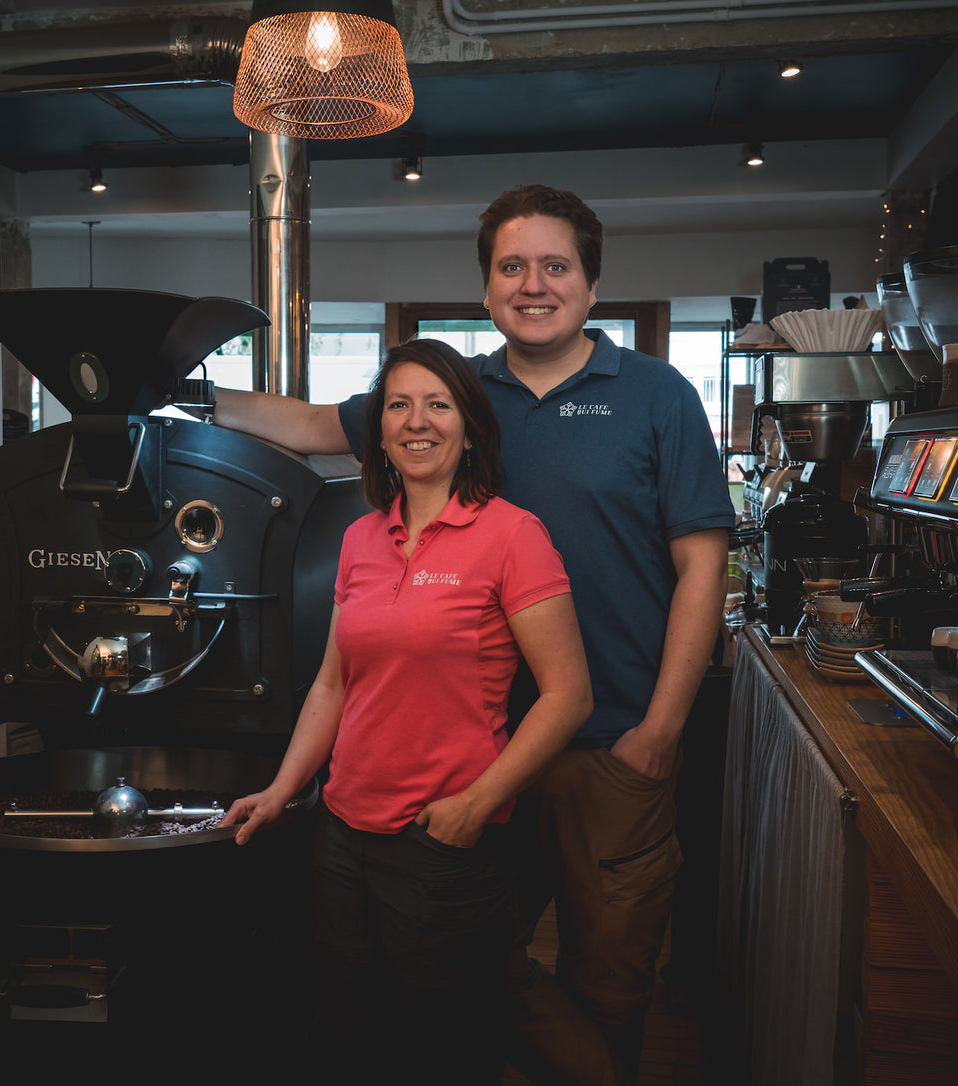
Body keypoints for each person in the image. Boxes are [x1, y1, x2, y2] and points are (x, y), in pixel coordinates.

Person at [213, 184, 733, 1084]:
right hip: (470, 749)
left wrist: (660, 732)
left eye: (556, 266)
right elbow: (302, 424)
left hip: (609, 741)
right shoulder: (453, 393)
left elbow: (702, 568)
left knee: (608, 975)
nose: (535, 285)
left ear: (592, 284)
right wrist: (180, 395)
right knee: (473, 967)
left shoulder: (656, 393)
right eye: (512, 267)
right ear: (488, 288)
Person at [220, 337, 592, 1086]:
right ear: (379, 432)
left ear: (469, 426)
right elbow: (333, 685)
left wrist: (477, 805)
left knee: (444, 1049)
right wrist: (286, 789)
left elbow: (569, 695)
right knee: (355, 1035)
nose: (417, 421)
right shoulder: (361, 539)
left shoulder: (512, 535)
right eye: (398, 405)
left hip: (441, 844)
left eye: (438, 403)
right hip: (341, 835)